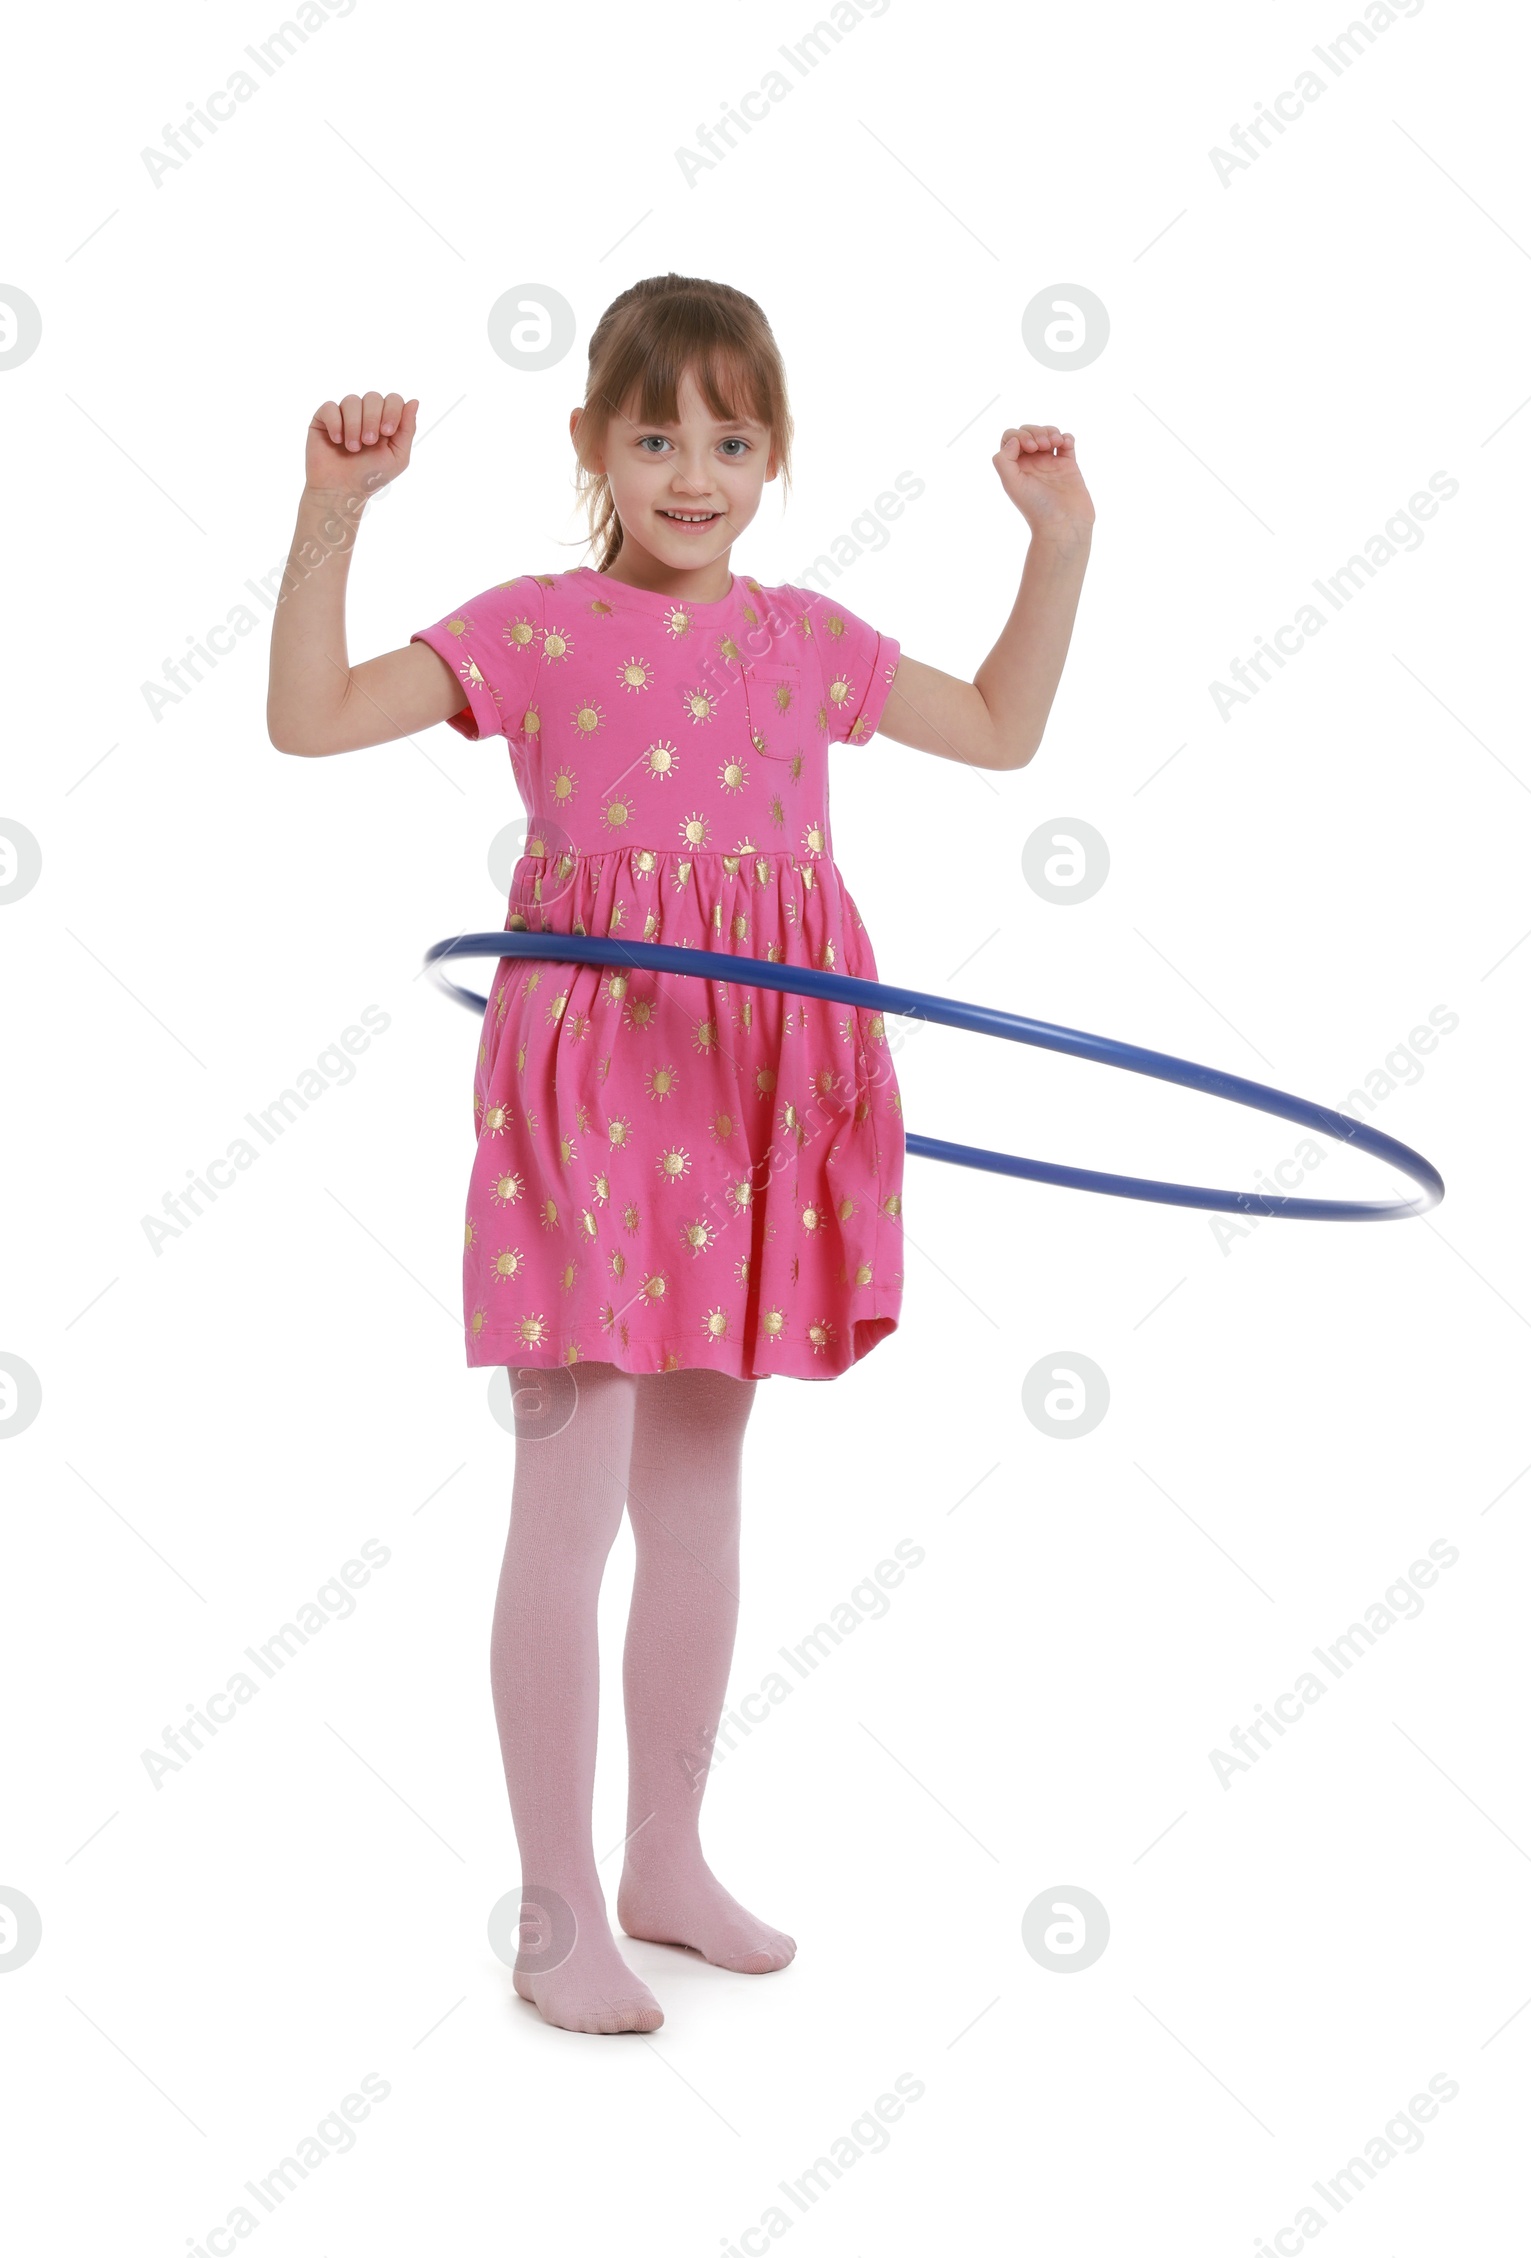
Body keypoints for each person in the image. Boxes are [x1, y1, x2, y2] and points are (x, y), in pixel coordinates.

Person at [264, 272, 1094, 2035]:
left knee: (702, 1492)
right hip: (587, 1095)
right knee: (568, 1502)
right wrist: (334, 514)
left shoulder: (806, 644)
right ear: (593, 447)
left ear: (774, 453)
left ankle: (665, 1853)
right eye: (655, 434)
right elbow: (313, 716)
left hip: (752, 1093)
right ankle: (556, 1902)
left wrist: (1058, 547)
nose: (693, 470)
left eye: (729, 436)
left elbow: (1008, 733)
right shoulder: (541, 627)